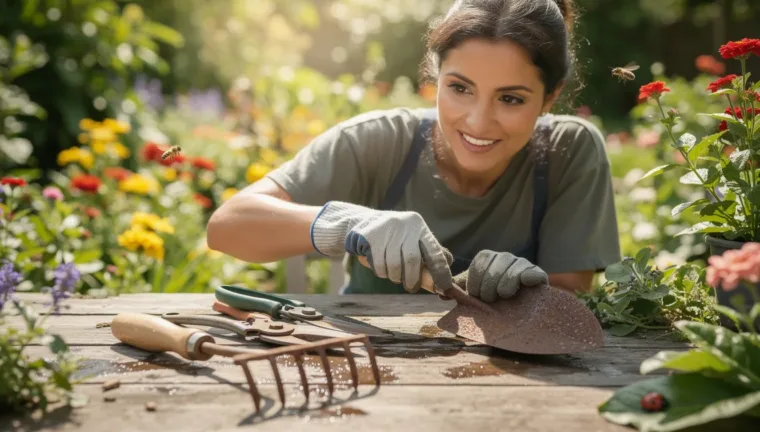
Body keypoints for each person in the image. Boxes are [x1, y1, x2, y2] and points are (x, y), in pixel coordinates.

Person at [207, 0, 622, 303]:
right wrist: (347, 224)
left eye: (510, 99)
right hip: (371, 366)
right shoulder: (378, 142)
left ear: (550, 97)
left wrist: (533, 291)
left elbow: (571, 299)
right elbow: (227, 227)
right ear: (434, 77)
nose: (478, 122)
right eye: (459, 88)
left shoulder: (568, 150)